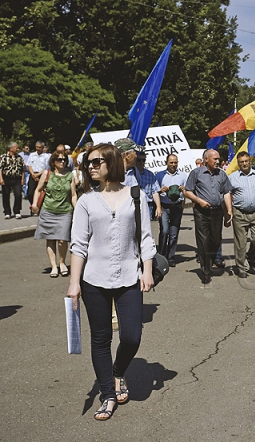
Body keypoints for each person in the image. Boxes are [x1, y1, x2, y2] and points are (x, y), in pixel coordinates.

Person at [67, 143, 156, 421]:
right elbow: (79, 245)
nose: (91, 166)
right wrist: (74, 283)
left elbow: (145, 238)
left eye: (96, 162)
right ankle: (107, 394)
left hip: (129, 275)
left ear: (112, 162)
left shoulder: (135, 195)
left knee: (131, 336)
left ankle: (118, 372)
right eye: (88, 163)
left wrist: (148, 269)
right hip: (94, 278)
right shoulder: (86, 201)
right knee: (101, 339)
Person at [184, 149, 232, 284]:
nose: (217, 161)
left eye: (218, 159)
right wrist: (199, 201)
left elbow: (226, 192)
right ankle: (206, 271)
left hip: (217, 212)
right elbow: (188, 192)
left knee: (216, 240)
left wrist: (229, 211)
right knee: (203, 241)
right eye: (215, 159)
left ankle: (209, 262)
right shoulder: (196, 173)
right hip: (201, 212)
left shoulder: (222, 174)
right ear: (206, 159)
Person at [30, 150, 77, 277]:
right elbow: (38, 190)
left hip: (65, 212)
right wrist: (34, 204)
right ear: (53, 161)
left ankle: (62, 263)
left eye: (64, 160)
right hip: (48, 211)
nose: (62, 162)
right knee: (50, 240)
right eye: (59, 160)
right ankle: (53, 266)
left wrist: (77, 211)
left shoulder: (70, 175)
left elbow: (73, 195)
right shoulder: (47, 174)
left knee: (62, 240)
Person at [228, 152, 255, 277]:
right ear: (238, 163)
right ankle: (242, 267)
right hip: (240, 213)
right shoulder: (233, 177)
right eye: (241, 162)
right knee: (240, 242)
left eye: (246, 161)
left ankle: (250, 257)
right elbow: (227, 195)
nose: (244, 163)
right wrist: (228, 212)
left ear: (250, 161)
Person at [156, 154, 187, 267]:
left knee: (174, 233)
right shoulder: (160, 175)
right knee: (164, 231)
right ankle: (161, 254)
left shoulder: (183, 176)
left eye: (175, 162)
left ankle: (170, 257)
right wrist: (160, 190)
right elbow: (154, 192)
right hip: (164, 206)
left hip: (177, 207)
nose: (173, 165)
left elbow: (187, 192)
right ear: (166, 163)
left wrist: (184, 191)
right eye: (171, 162)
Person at [0, 142, 25, 220]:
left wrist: (22, 179)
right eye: (16, 148)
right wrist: (1, 179)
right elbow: (0, 169)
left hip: (17, 178)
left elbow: (22, 169)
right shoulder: (3, 157)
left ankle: (17, 211)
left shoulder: (19, 157)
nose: (18, 149)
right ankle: (7, 212)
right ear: (11, 149)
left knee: (18, 194)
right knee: (6, 195)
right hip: (6, 178)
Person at [134, 152, 162, 220]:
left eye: (143, 160)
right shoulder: (130, 174)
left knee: (145, 229)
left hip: (147, 206)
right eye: (139, 160)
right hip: (133, 205)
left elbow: (155, 192)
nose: (141, 162)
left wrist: (158, 207)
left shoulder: (150, 175)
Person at [26, 141, 50, 213]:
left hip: (42, 175)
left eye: (40, 147)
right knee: (30, 193)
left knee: (41, 192)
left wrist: (38, 174)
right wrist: (33, 174)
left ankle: (39, 207)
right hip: (32, 174)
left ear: (43, 148)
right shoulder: (32, 155)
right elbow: (29, 165)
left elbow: (47, 168)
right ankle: (34, 205)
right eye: (37, 147)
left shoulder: (46, 156)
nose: (38, 149)